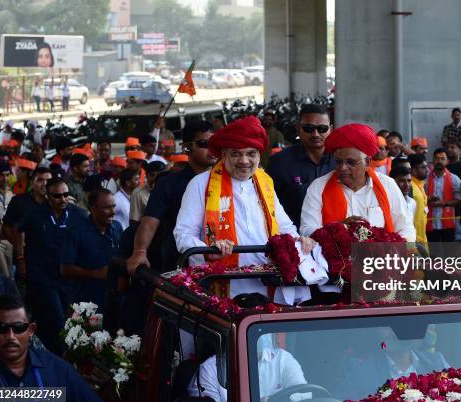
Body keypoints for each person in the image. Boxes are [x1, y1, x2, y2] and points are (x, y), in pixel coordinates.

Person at [175, 116, 315, 299]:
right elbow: (183, 234)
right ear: (223, 154)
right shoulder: (200, 184)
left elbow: (284, 226)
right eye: (235, 153)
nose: (244, 160)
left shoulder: (265, 183)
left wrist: (299, 240)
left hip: (268, 281)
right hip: (223, 284)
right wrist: (209, 251)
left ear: (259, 155)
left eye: (251, 153)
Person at [127, 120, 217, 275]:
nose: (212, 148)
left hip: (221, 259)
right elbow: (149, 222)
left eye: (215, 143)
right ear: (186, 147)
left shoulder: (228, 181)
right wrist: (140, 252)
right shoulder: (168, 183)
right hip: (179, 261)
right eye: (204, 143)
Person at [300, 123, 415, 241]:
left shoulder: (387, 185)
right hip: (333, 258)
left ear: (367, 162)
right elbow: (307, 230)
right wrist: (339, 228)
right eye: (339, 162)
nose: (343, 167)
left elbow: (405, 228)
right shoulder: (319, 187)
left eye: (351, 162)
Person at [0, 295, 104, 402]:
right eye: (1, 327)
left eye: (19, 327)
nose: (10, 336)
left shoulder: (58, 370)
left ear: (31, 330)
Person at [15, 178, 87, 354]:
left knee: (64, 319)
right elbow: (18, 231)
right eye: (57, 196)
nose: (62, 199)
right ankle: (57, 355)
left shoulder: (78, 214)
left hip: (67, 277)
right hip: (42, 276)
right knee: (56, 318)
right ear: (47, 196)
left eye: (65, 195)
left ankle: (50, 352)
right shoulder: (34, 214)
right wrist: (20, 258)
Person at [189, 333, 306, 402]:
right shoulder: (210, 369)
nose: (260, 337)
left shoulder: (283, 359)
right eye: (253, 330)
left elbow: (304, 396)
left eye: (262, 329)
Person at [267, 104, 335, 228]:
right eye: (308, 128)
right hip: (294, 240)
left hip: (336, 238)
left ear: (330, 129)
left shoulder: (340, 161)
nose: (315, 134)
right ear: (298, 129)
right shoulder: (279, 162)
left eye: (322, 128)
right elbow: (267, 204)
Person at [61, 189, 123, 312]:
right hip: (85, 304)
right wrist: (96, 273)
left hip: (113, 302)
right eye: (107, 208)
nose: (112, 212)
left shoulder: (117, 228)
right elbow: (65, 269)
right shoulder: (75, 232)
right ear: (93, 208)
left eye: (113, 207)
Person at [2, 167, 52, 247]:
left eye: (49, 181)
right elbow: (6, 226)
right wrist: (18, 246)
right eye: (40, 180)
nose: (45, 184)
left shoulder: (57, 202)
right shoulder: (18, 201)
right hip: (23, 254)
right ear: (32, 183)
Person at [425, 148, 461, 244]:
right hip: (430, 223)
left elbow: (459, 199)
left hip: (448, 224)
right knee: (432, 254)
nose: (439, 161)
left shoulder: (454, 179)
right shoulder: (425, 178)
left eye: (442, 158)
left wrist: (444, 203)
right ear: (432, 160)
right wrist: (428, 200)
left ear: (447, 161)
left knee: (449, 254)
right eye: (437, 158)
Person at [0, 162, 15, 278]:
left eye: (7, 175)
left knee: (9, 274)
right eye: (1, 175)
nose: (5, 178)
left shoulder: (11, 194)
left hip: (10, 240)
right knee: (5, 275)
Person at [407, 154, 429, 245]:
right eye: (423, 167)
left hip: (422, 237)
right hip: (413, 239)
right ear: (413, 170)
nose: (427, 170)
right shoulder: (409, 186)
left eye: (426, 167)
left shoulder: (420, 185)